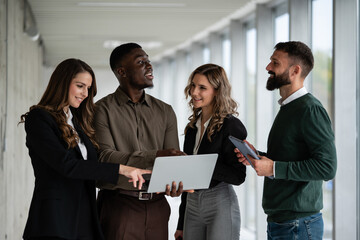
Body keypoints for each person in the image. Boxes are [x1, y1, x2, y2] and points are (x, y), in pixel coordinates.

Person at [20, 58, 151, 240]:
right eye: (80, 86)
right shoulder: (39, 118)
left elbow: (92, 164)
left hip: (84, 218)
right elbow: (67, 165)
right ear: (63, 83)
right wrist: (122, 169)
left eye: (88, 88)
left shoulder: (76, 121)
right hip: (54, 219)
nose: (85, 93)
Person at [236, 41, 337, 240]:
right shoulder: (289, 108)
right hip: (283, 222)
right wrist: (258, 156)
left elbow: (327, 167)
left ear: (295, 70)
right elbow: (290, 156)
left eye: (275, 63)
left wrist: (273, 168)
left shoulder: (309, 109)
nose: (268, 67)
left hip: (298, 225)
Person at [94, 42, 184, 240]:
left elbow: (172, 160)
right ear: (122, 71)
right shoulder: (101, 110)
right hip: (119, 206)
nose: (149, 66)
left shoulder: (165, 111)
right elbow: (105, 157)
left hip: (158, 208)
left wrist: (175, 184)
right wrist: (157, 155)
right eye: (141, 62)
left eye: (149, 61)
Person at [175, 63, 247, 240]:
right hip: (192, 204)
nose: (194, 92)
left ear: (217, 91)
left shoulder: (231, 126)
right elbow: (188, 175)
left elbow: (238, 176)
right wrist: (180, 223)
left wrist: (204, 165)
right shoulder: (192, 127)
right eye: (193, 85)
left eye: (202, 88)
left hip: (219, 202)